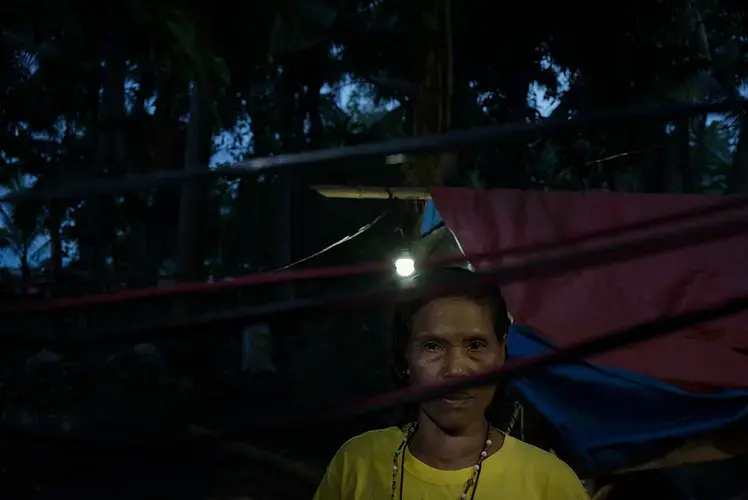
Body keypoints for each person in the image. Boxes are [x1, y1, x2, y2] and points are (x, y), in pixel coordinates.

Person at [314, 267, 589, 500]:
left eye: (476, 345)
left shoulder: (550, 484)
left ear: (502, 352)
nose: (456, 369)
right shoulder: (357, 463)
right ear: (404, 358)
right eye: (433, 346)